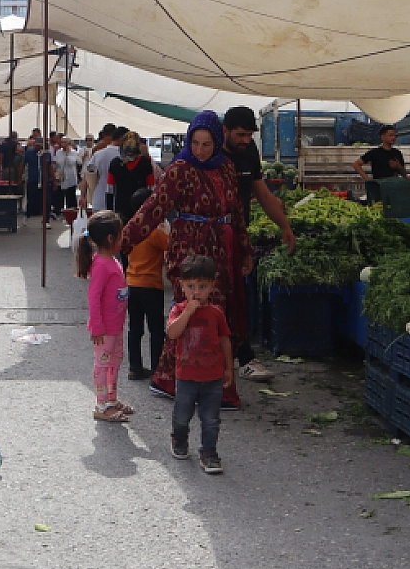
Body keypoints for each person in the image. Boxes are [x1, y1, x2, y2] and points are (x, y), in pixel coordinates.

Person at [120, 111, 250, 408]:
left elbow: (238, 213)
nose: (200, 150)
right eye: (195, 143)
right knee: (193, 311)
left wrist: (245, 250)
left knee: (216, 316)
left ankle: (177, 380)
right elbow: (154, 208)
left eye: (206, 144)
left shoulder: (227, 167)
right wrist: (123, 240)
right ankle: (192, 384)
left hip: (222, 250)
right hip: (189, 252)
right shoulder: (179, 169)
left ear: (216, 142)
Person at [222, 107, 298, 382]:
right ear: (225, 131)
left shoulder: (249, 151)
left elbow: (262, 193)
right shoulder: (212, 153)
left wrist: (285, 226)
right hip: (212, 236)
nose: (245, 140)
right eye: (240, 135)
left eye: (249, 135)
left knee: (239, 298)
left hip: (239, 235)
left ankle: (243, 358)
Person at [165, 255, 234, 475]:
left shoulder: (216, 314)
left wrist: (228, 368)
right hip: (186, 375)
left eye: (202, 286)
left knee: (211, 418)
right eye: (191, 286)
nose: (196, 292)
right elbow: (172, 333)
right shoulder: (178, 310)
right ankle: (179, 437)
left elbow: (225, 340)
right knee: (182, 414)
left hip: (212, 376)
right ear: (182, 286)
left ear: (212, 286)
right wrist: (188, 312)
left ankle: (209, 452)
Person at [77, 210, 131, 423]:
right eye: (121, 234)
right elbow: (94, 296)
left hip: (115, 326)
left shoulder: (112, 261)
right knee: (102, 364)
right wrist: (97, 327)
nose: (122, 238)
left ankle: (111, 398)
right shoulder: (101, 264)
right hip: (105, 329)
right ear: (111, 238)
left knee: (115, 361)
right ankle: (100, 404)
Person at [124, 187, 169, 380]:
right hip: (151, 285)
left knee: (135, 328)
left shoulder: (130, 230)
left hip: (131, 283)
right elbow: (171, 247)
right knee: (156, 329)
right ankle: (157, 367)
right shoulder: (153, 232)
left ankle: (134, 366)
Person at [107, 132, 156, 218]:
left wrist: (109, 211)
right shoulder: (145, 163)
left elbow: (109, 190)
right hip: (141, 210)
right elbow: (151, 188)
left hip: (121, 209)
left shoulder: (115, 163)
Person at [87, 126, 127, 210]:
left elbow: (88, 176)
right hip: (119, 203)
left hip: (99, 200)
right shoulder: (126, 156)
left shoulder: (97, 153)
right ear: (121, 138)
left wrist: (84, 196)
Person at [50, 134, 81, 221]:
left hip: (70, 177)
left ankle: (71, 212)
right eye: (62, 142)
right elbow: (58, 162)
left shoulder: (74, 152)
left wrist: (67, 154)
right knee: (59, 195)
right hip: (61, 176)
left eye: (65, 142)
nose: (62, 144)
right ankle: (58, 211)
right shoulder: (59, 152)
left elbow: (71, 162)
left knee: (70, 196)